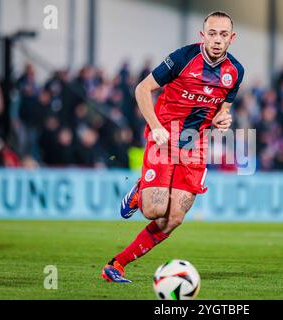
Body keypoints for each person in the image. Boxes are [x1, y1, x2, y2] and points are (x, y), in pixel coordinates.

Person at [101, 11, 244, 283]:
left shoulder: (236, 72)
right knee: (154, 210)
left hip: (195, 142)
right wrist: (155, 127)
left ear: (231, 38)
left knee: (173, 219)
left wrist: (223, 120)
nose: (217, 40)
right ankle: (140, 189)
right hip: (165, 134)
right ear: (203, 35)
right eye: (212, 33)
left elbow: (221, 112)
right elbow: (142, 89)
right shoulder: (181, 58)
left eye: (223, 35)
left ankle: (116, 264)